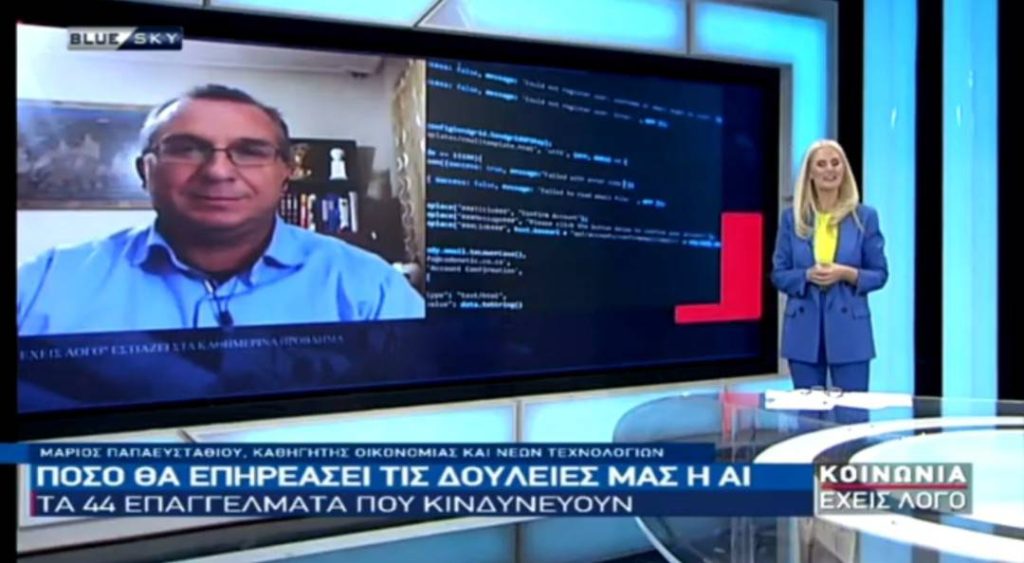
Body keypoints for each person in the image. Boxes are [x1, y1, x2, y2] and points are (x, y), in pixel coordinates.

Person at [17, 84, 425, 336]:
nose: (217, 171)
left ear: (286, 175)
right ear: (145, 171)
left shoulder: (370, 288)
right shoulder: (42, 284)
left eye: (250, 151)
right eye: (186, 149)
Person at [771, 139, 888, 392]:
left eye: (836, 163)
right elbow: (779, 274)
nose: (830, 170)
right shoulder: (792, 219)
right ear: (810, 174)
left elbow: (879, 274)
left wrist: (846, 273)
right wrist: (806, 275)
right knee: (808, 411)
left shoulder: (865, 217)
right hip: (803, 330)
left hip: (850, 331)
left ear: (844, 170)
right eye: (821, 164)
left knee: (852, 410)